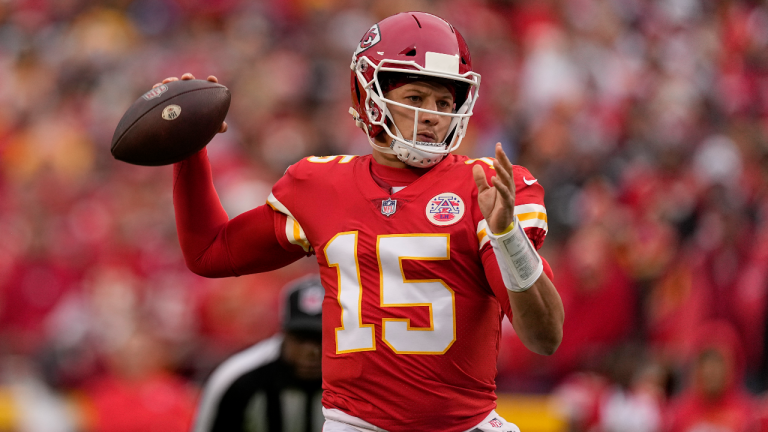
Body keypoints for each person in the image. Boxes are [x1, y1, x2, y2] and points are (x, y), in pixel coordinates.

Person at [160, 11, 564, 431]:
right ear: (370, 97)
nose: (432, 115)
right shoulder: (319, 183)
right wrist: (189, 149)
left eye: (445, 102)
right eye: (416, 97)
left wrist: (507, 236)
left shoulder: (486, 186)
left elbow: (544, 337)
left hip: (464, 424)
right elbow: (210, 252)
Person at [192, 275, 324, 432]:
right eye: (300, 338)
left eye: (321, 338)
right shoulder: (238, 379)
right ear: (283, 333)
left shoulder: (358, 380)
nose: (311, 351)